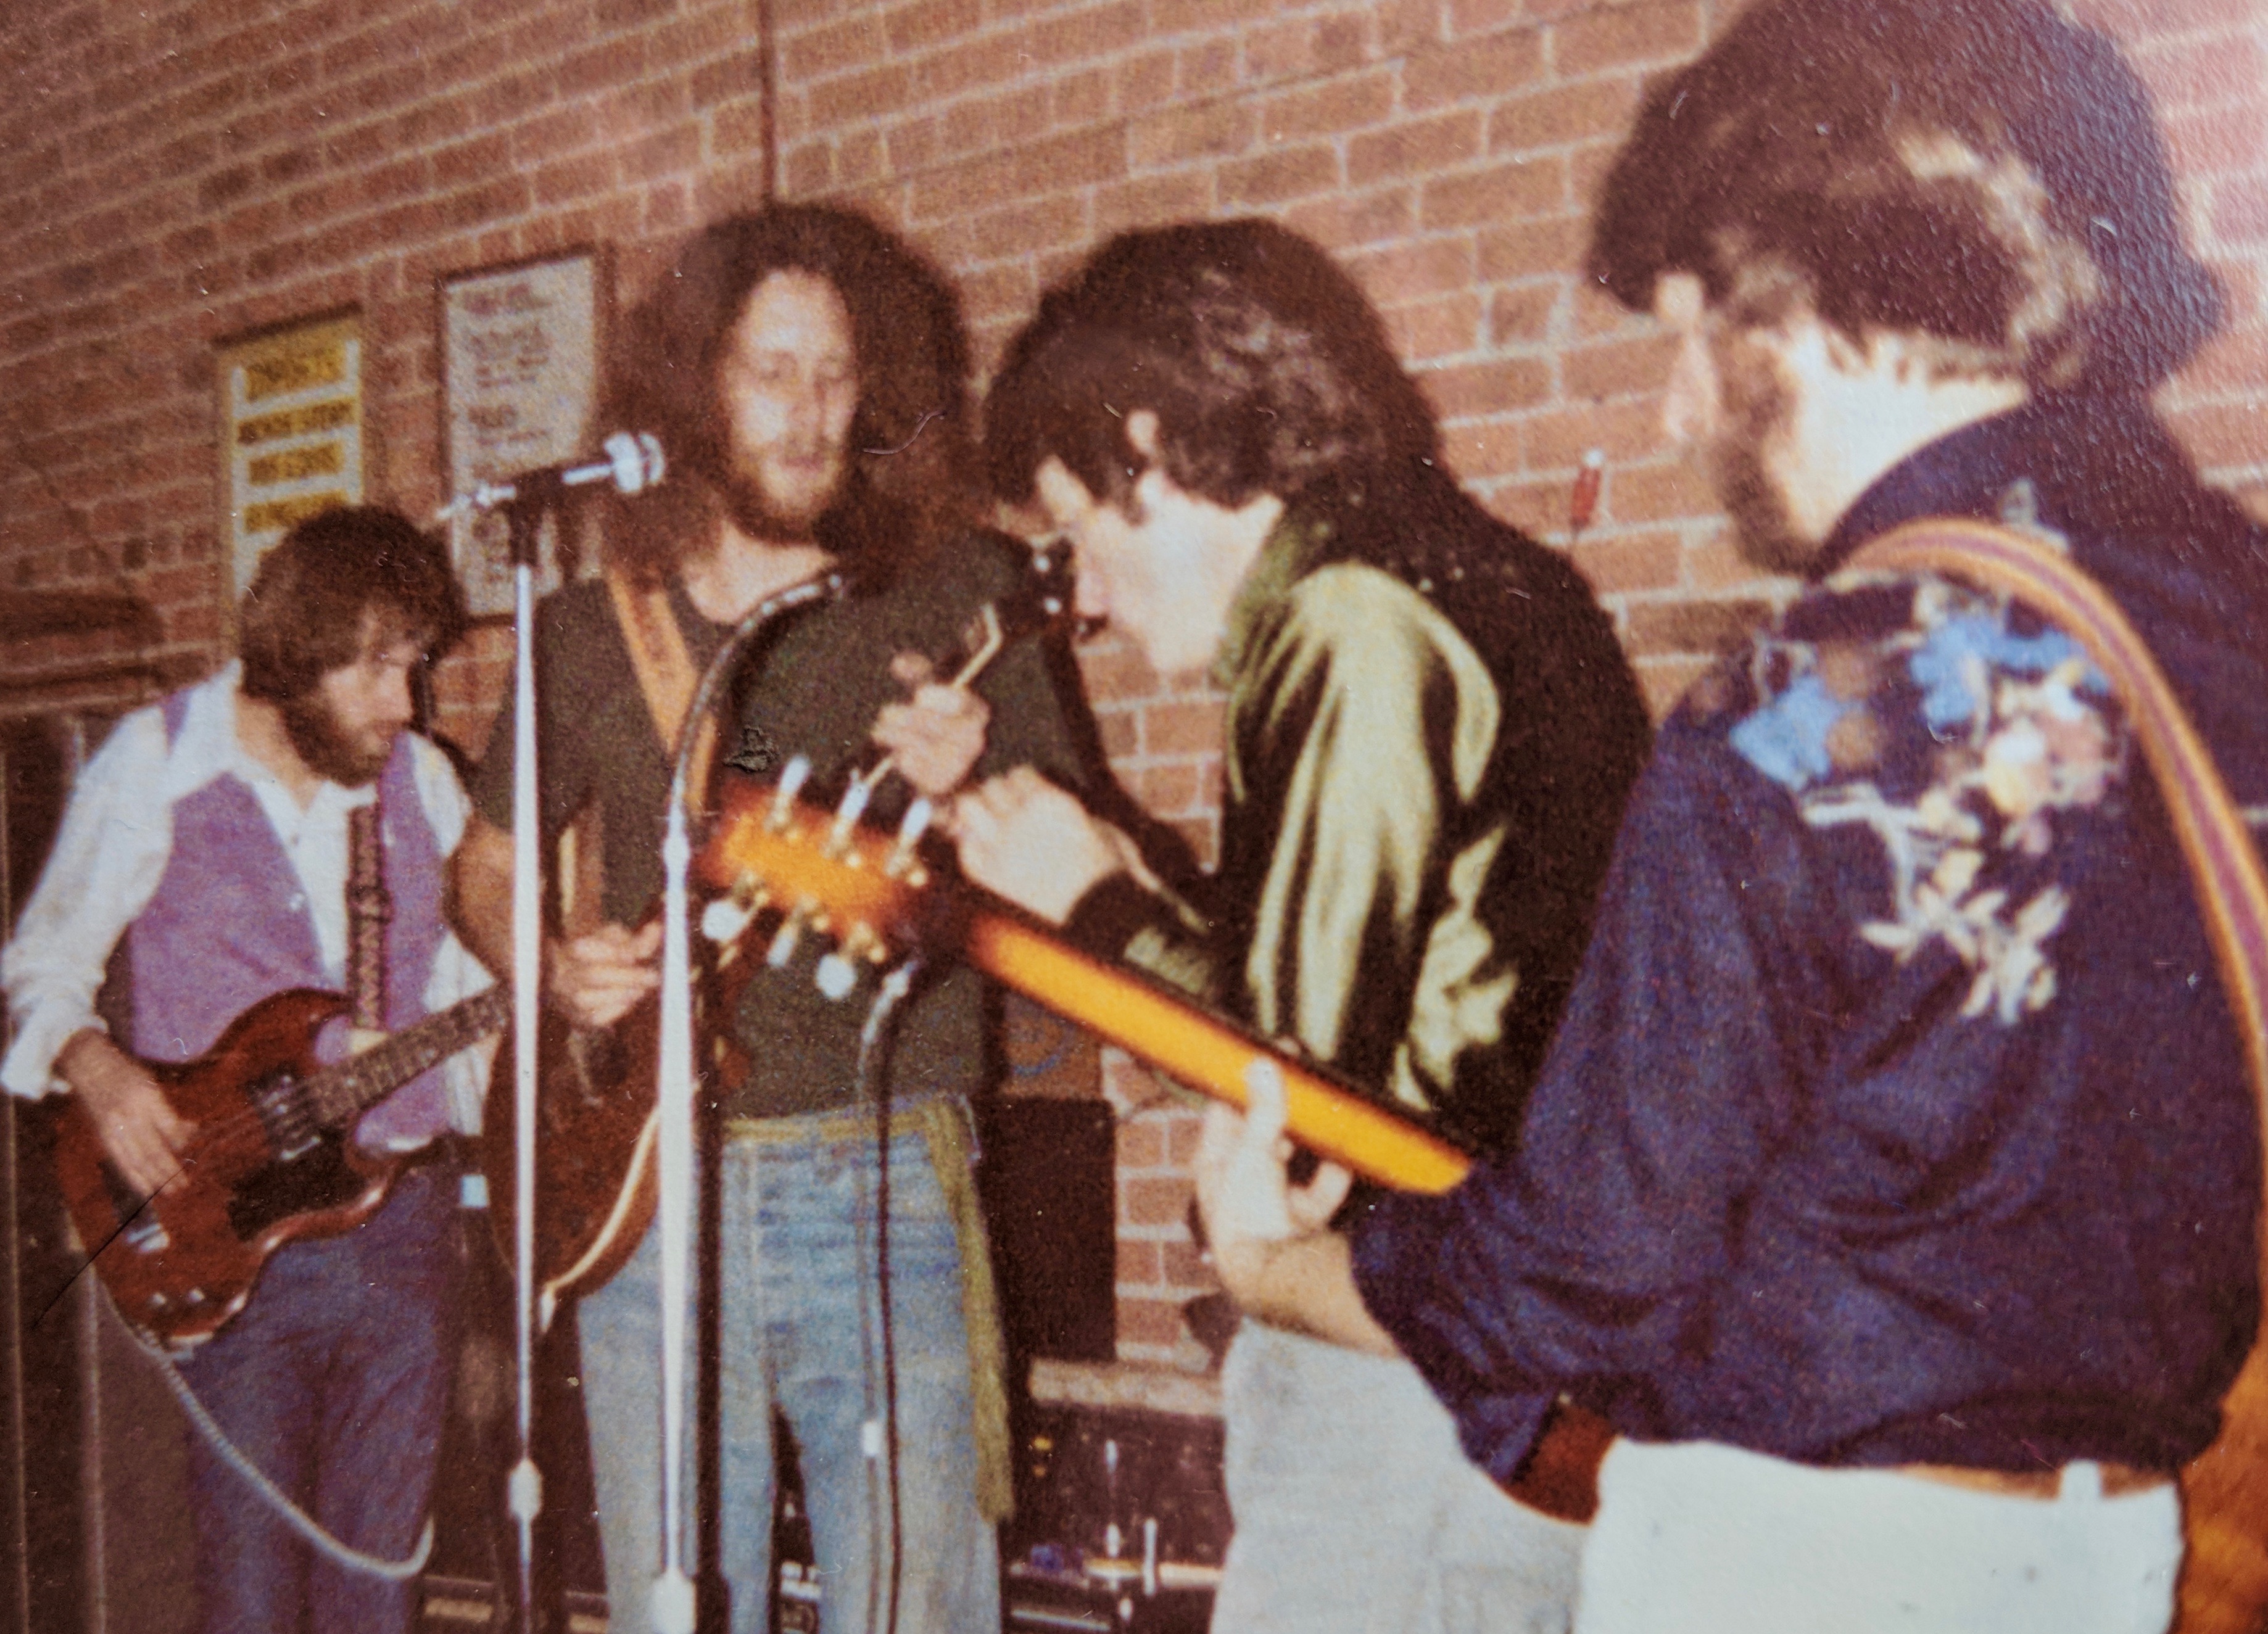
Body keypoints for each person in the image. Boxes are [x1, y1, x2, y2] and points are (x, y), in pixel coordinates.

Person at [1193, 4, 2268, 1631]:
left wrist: (1278, 1270)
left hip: (1816, 1566)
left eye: (1692, 337)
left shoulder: (1807, 708)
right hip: (2126, 1554)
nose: (1678, 414)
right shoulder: (2227, 607)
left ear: (1797, 309)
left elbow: (1579, 1269)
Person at [951, 218, 1651, 1634]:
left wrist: (1085, 904)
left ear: (1146, 448)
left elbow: (1299, 1083)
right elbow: (1377, 984)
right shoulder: (1439, 567)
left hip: (1397, 1363)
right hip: (1486, 1346)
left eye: (1078, 532)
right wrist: (1120, 884)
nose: (1080, 597)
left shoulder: (1345, 613)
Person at [448, 204, 1095, 1634]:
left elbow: (1070, 881)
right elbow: (484, 864)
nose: (809, 413)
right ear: (693, 389)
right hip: (654, 1185)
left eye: (837, 374)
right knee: (678, 1603)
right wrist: (547, 963)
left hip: (889, 1175)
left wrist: (979, 769)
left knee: (919, 1602)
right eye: (769, 370)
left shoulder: (957, 594)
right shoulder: (583, 625)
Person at [1, 506, 483, 1634]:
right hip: (234, 1250)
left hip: (406, 1237)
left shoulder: (424, 782)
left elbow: (474, 1011)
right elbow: (35, 967)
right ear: (291, 656)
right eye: (374, 669)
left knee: (380, 1604)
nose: (402, 704)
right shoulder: (157, 759)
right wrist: (98, 1066)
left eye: (410, 666)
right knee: (250, 1602)